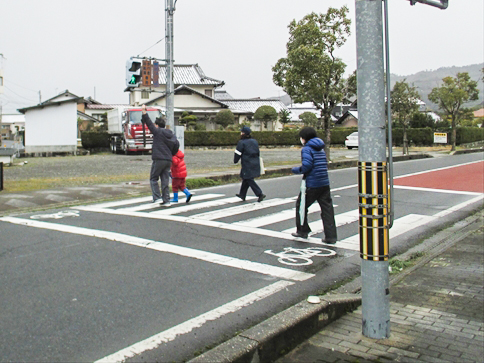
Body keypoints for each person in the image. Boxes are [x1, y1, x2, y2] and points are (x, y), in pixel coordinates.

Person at [291, 127, 337, 244]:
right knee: (327, 209)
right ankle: (331, 236)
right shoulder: (320, 148)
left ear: (304, 138)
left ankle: (302, 230)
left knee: (301, 206)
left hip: (312, 184)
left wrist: (296, 170)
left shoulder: (307, 149)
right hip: (324, 183)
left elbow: (307, 165)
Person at [141, 104, 179, 207]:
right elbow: (177, 144)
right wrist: (171, 154)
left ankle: (157, 197)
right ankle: (166, 200)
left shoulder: (157, 132)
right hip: (168, 160)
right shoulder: (171, 134)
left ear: (157, 125)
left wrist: (144, 112)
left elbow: (148, 123)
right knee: (165, 180)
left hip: (159, 159)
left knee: (153, 178)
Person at [234, 126, 266, 202]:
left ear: (243, 133)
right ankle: (242, 194)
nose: (240, 133)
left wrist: (235, 161)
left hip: (247, 163)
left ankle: (259, 194)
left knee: (249, 178)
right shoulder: (254, 141)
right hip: (255, 162)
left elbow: (238, 153)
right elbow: (258, 152)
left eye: (241, 132)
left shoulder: (241, 142)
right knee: (245, 178)